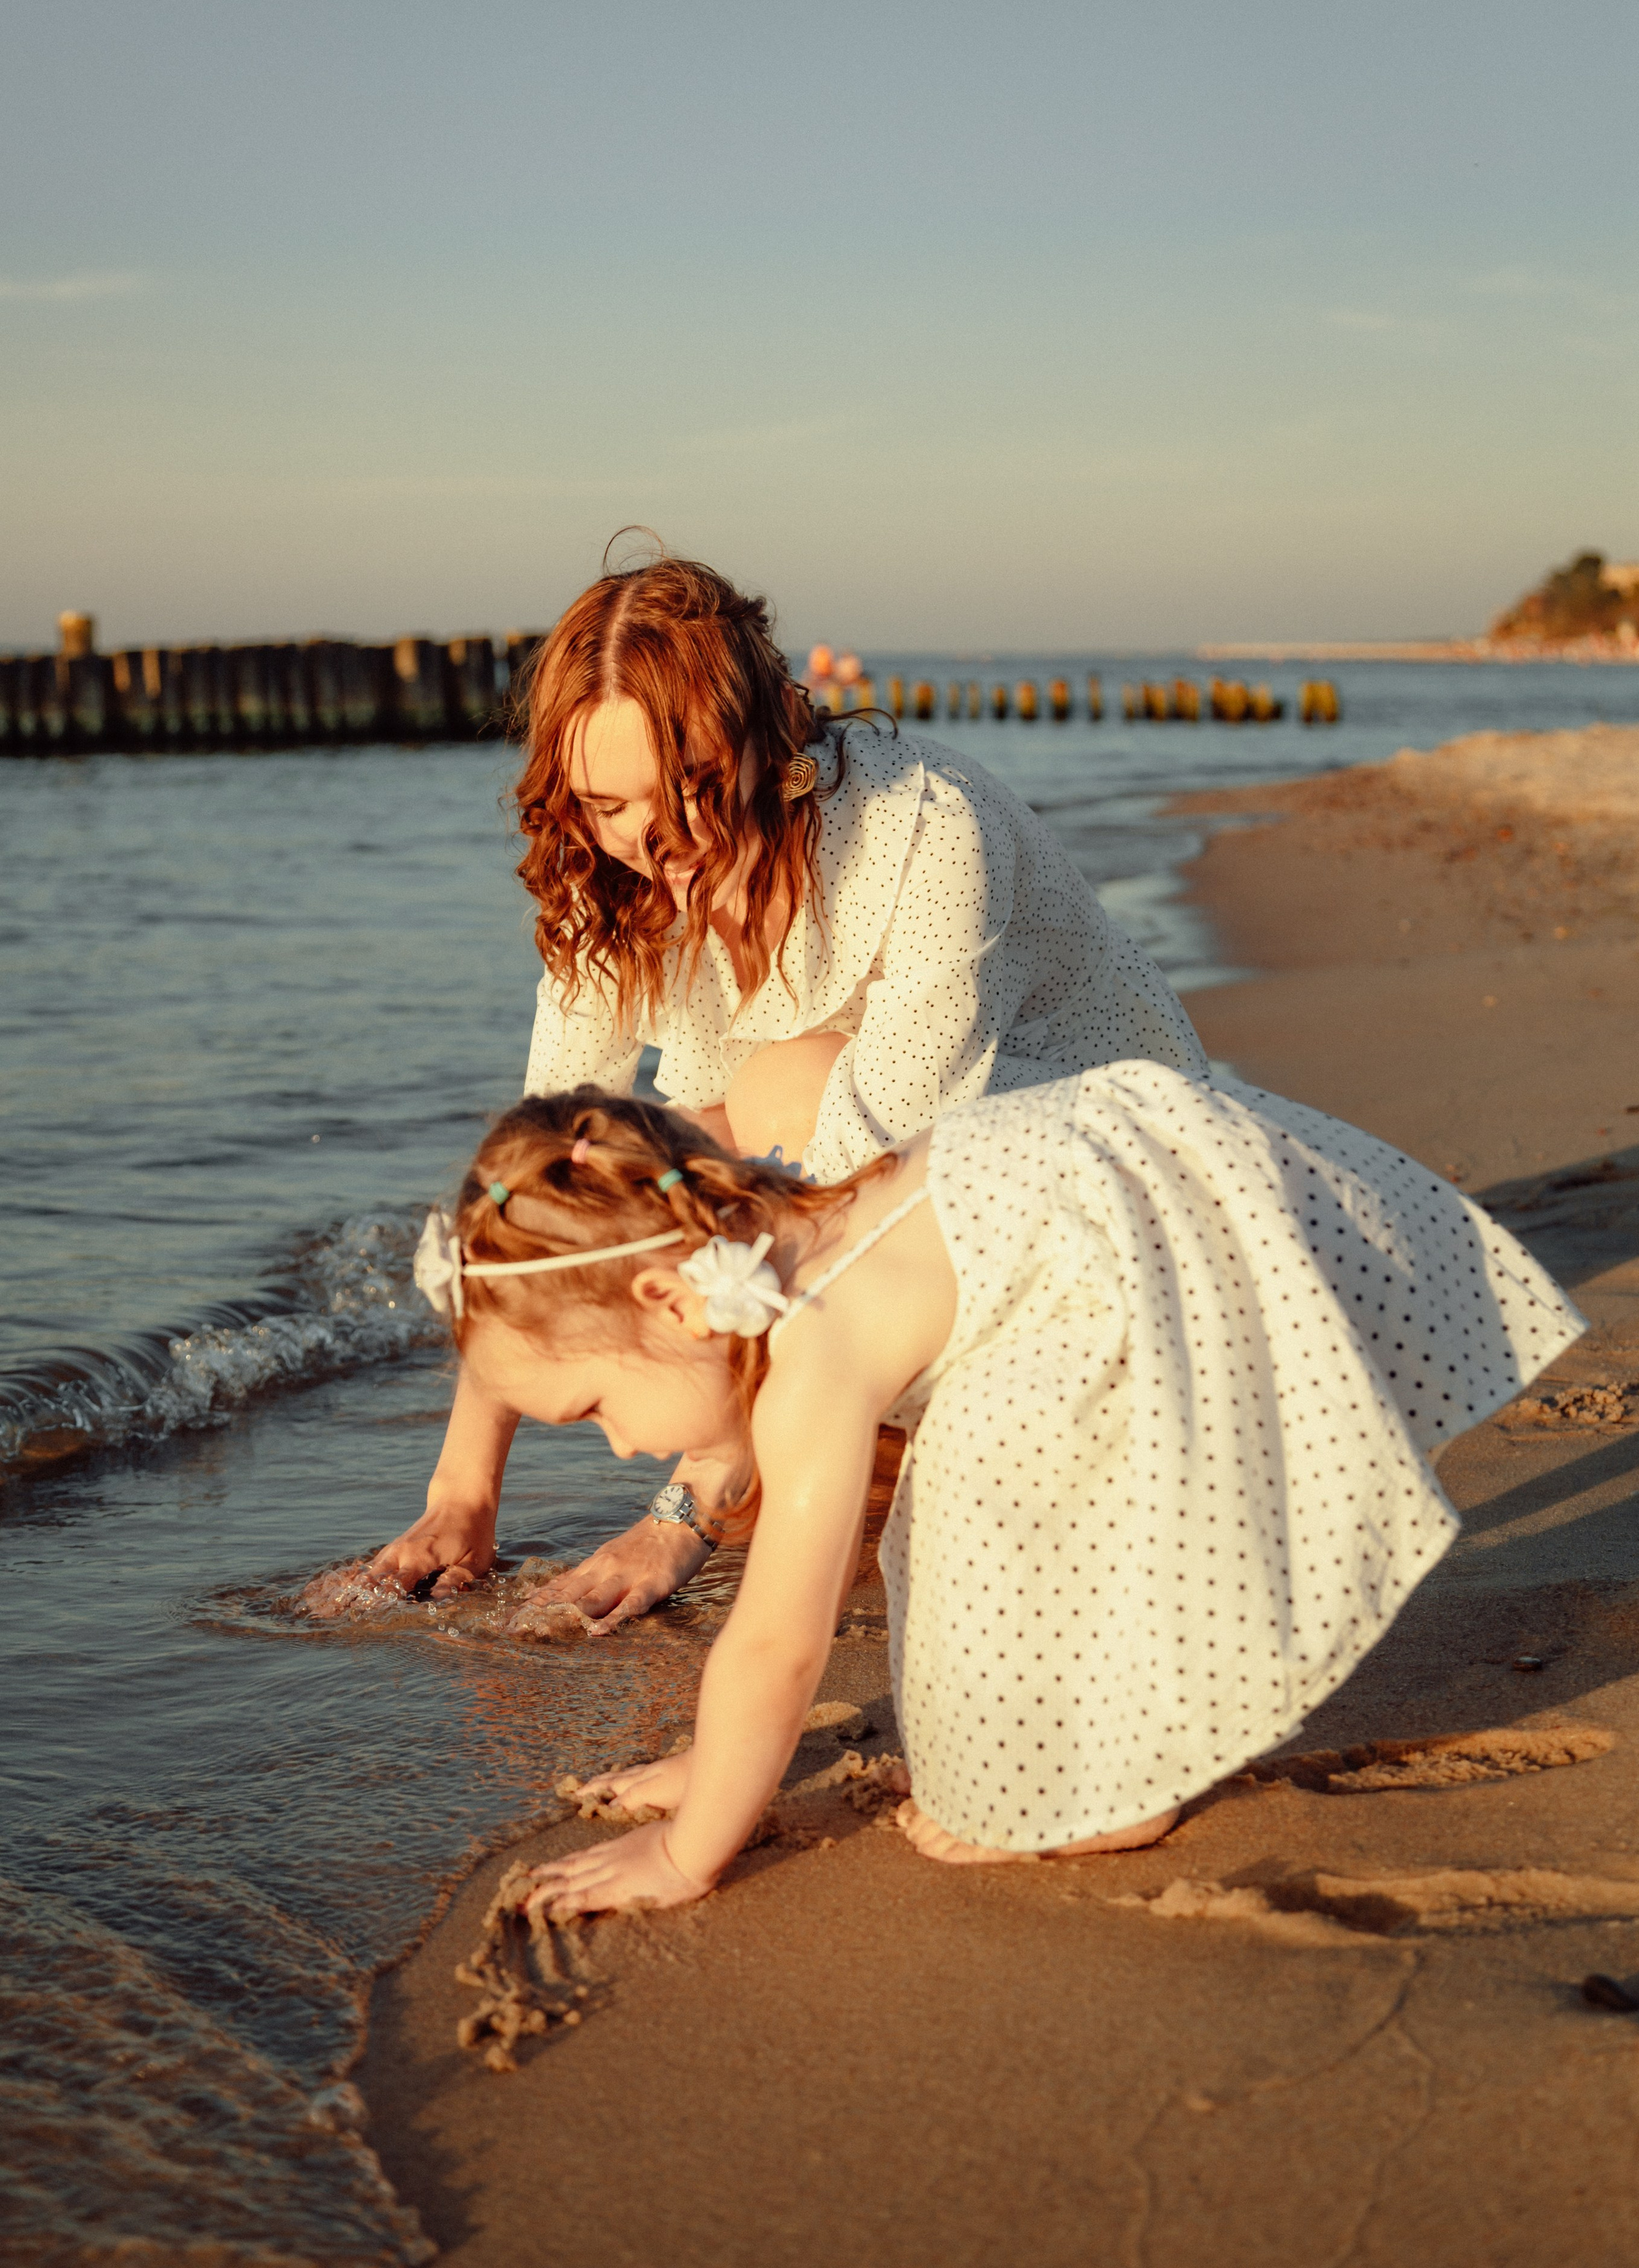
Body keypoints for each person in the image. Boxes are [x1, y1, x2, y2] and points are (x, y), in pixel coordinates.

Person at [410, 1070, 1580, 1905]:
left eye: (596, 1411)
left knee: (974, 1548)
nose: (618, 1448)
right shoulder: (790, 1222)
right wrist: (715, 1762)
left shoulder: (812, 1353)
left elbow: (776, 1645)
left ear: (671, 1302)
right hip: (1142, 1170)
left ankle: (1116, 1796)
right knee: (995, 1522)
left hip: (1110, 1274)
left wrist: (686, 1851)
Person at [370, 546, 1207, 1621]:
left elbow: (852, 1189)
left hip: (1116, 1198)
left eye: (687, 792)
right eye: (604, 801)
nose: (648, 838)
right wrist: (461, 1491)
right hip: (892, 1215)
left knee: (770, 1100)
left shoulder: (927, 831)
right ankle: (854, 1440)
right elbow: (536, 1195)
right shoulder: (609, 874)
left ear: (764, 742)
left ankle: (850, 1445)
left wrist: (685, 1510)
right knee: (630, 1156)